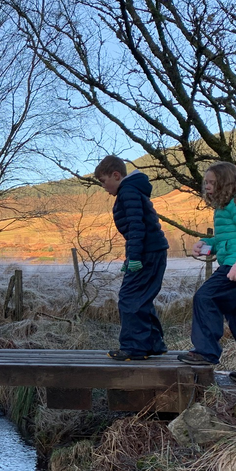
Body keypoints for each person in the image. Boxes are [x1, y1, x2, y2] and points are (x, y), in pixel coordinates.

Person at [179, 161, 236, 386]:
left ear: (226, 183)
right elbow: (229, 240)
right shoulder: (226, 207)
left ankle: (206, 351)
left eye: (212, 183)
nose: (207, 187)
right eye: (206, 183)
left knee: (205, 297)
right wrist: (207, 244)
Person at [95, 155, 169, 361]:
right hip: (153, 251)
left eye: (103, 181)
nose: (103, 186)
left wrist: (134, 258)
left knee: (129, 298)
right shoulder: (134, 190)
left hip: (146, 253)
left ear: (116, 175)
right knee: (142, 298)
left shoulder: (127, 191)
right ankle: (153, 344)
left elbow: (137, 226)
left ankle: (133, 348)